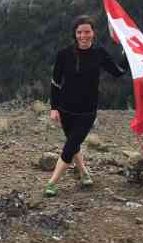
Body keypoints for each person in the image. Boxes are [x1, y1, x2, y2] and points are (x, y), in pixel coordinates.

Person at [45, 14, 126, 197]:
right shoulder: (64, 54)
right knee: (74, 145)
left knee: (71, 144)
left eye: (87, 32)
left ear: (93, 33)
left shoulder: (99, 53)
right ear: (75, 34)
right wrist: (54, 107)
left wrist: (128, 54)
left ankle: (52, 183)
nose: (83, 36)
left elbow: (117, 72)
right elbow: (55, 82)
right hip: (65, 108)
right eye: (80, 32)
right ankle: (84, 173)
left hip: (87, 110)